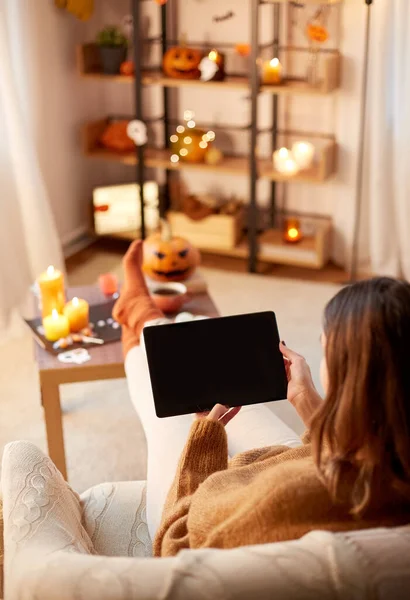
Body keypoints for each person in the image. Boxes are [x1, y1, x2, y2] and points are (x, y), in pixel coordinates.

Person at [114, 241, 410, 558]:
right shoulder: (391, 462)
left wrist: (204, 442)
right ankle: (141, 314)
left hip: (185, 512)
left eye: (325, 352)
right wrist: (307, 400)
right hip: (305, 460)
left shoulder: (286, 499)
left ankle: (138, 312)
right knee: (192, 327)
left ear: (350, 376)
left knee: (165, 392)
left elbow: (178, 542)